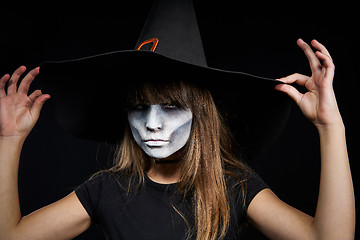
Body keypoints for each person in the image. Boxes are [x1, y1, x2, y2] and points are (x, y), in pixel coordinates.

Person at [0, 39, 355, 239]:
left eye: (171, 106)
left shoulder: (234, 188)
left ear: (201, 115)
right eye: (140, 106)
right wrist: (10, 139)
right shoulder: (106, 190)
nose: (152, 123)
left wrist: (330, 127)